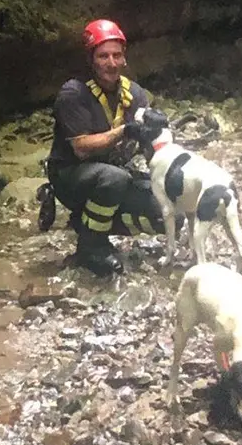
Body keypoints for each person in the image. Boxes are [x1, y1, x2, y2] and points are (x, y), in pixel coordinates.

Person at [41, 18, 169, 276]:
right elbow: (81, 148)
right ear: (91, 59)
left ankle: (86, 222)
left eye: (117, 56)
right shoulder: (74, 93)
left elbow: (150, 148)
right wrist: (125, 130)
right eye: (103, 56)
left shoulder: (134, 93)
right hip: (72, 175)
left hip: (113, 174)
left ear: (124, 59)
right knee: (114, 178)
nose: (111, 63)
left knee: (165, 210)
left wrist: (158, 133)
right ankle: (92, 246)